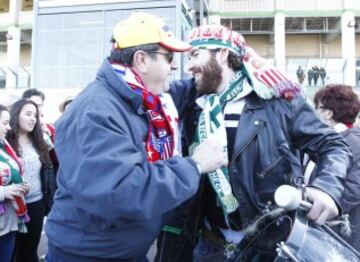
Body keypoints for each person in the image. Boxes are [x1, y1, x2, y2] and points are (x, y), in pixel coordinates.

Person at [45, 12, 227, 261]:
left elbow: (183, 89)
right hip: (90, 255)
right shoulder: (95, 113)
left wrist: (236, 68)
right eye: (169, 57)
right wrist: (195, 165)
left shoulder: (142, 97)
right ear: (141, 60)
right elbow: (122, 192)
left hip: (121, 249)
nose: (176, 66)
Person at [159, 25, 351, 261]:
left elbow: (333, 145)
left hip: (270, 246)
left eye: (195, 55)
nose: (188, 65)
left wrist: (327, 189)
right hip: (209, 245)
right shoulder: (192, 102)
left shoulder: (278, 102)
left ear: (222, 54)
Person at [7, 99, 55, 262]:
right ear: (16, 115)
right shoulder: (5, 141)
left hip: (36, 203)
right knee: (11, 251)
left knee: (29, 251)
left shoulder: (41, 141)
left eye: (35, 115)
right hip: (10, 205)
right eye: (28, 114)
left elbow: (55, 166)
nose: (33, 118)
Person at [314, 84, 360, 251]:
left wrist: (321, 207)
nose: (314, 114)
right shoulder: (334, 140)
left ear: (328, 113)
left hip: (345, 233)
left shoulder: (352, 141)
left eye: (317, 108)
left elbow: (353, 190)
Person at [0, 105, 29, 262]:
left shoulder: (4, 147)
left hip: (8, 224)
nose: (9, 127)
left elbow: (12, 173)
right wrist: (4, 192)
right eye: (5, 123)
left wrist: (22, 184)